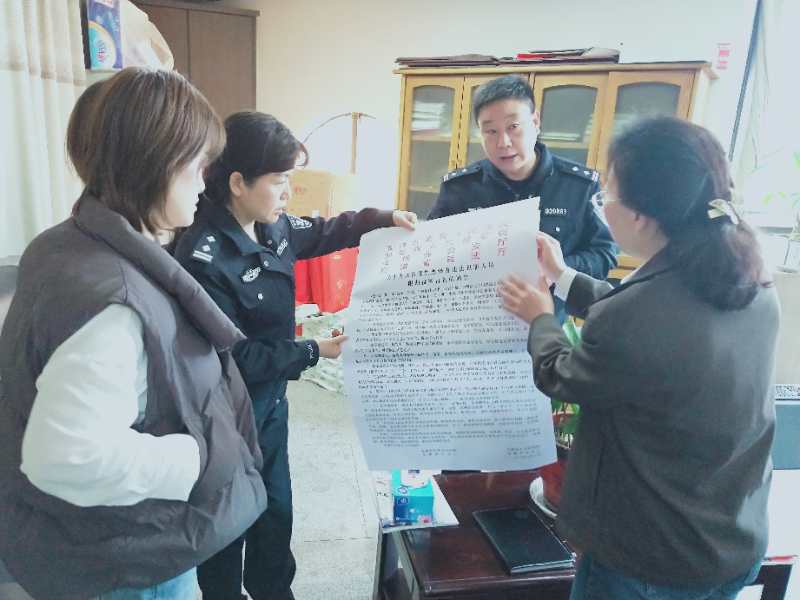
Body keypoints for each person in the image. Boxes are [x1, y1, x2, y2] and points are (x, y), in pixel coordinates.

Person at [0, 68, 268, 600]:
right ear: (156, 164)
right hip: (127, 558)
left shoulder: (66, 243)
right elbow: (67, 457)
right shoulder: (115, 302)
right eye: (197, 166)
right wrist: (199, 459)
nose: (204, 183)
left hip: (94, 543)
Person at [499, 116, 778, 600]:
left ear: (642, 215)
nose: (601, 201)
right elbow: (645, 324)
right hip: (730, 534)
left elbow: (560, 374)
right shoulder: (744, 274)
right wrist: (562, 277)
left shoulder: (639, 313)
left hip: (650, 556)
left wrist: (541, 317)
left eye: (607, 191)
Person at [172, 110, 417, 600]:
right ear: (238, 182)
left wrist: (383, 218)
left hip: (270, 406)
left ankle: (273, 591)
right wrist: (313, 350)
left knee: (275, 512)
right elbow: (235, 358)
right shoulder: (203, 256)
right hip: (223, 416)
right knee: (226, 525)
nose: (288, 192)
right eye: (279, 180)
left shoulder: (272, 225)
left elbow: (325, 231)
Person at [429, 74, 617, 321]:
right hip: (474, 324)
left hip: (547, 328)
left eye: (513, 127)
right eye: (491, 131)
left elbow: (604, 253)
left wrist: (557, 270)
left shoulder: (579, 186)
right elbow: (433, 254)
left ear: (535, 121)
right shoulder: (459, 188)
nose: (503, 142)